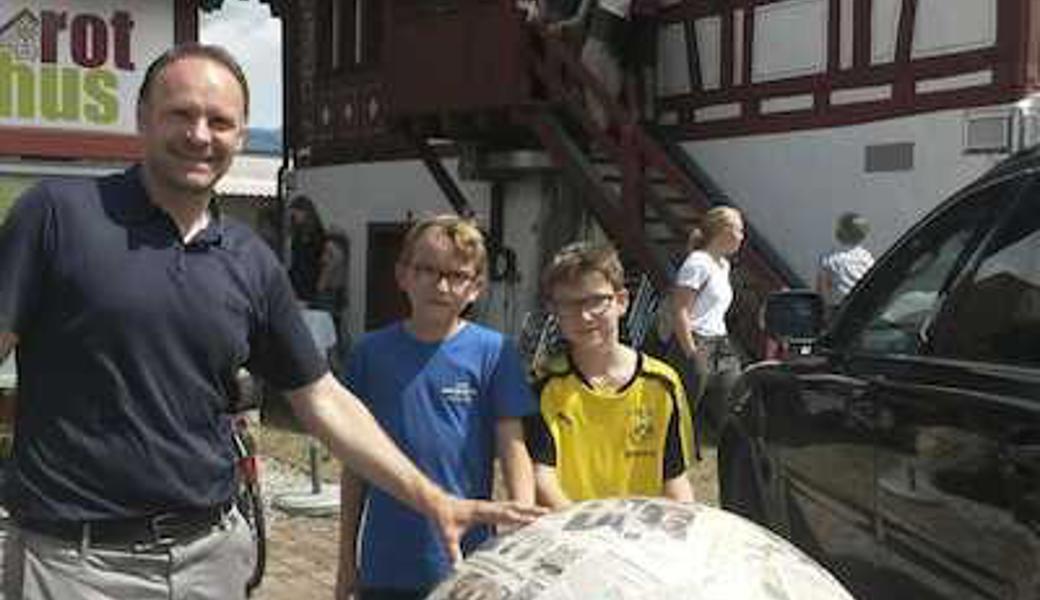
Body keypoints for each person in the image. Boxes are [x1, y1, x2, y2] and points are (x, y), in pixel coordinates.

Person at [0, 44, 541, 600]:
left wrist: (434, 499)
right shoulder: (59, 215)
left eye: (220, 121)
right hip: (74, 563)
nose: (200, 135)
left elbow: (322, 399)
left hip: (208, 559)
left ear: (239, 136)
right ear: (142, 118)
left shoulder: (249, 259)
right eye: (180, 114)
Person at [336, 215, 538, 600]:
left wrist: (521, 533)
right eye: (427, 270)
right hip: (386, 561)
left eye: (457, 275)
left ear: (477, 287)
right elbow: (355, 466)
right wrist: (347, 559)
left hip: (465, 560)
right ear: (403, 275)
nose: (441, 285)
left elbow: (513, 449)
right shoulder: (369, 354)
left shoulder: (494, 353)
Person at [525, 242, 694, 508]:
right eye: (569, 304)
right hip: (571, 535)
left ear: (621, 301)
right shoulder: (544, 385)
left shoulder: (663, 383)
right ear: (555, 312)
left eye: (596, 300)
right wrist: (587, 534)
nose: (585, 315)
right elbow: (541, 477)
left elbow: (675, 479)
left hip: (641, 538)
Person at [669, 206, 745, 441]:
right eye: (739, 230)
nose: (742, 237)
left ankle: (732, 449)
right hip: (696, 339)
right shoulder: (697, 263)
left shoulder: (723, 265)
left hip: (720, 341)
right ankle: (671, 453)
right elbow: (680, 309)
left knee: (733, 396)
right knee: (685, 406)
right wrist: (691, 352)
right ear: (723, 231)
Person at [817, 212, 874, 310]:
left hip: (839, 311)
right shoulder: (867, 257)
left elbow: (822, 292)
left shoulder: (829, 258)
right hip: (864, 308)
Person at [288, 194, 326, 303]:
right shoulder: (298, 233)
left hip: (309, 281)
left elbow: (319, 259)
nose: (295, 217)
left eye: (297, 213)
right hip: (298, 279)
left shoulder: (316, 234)